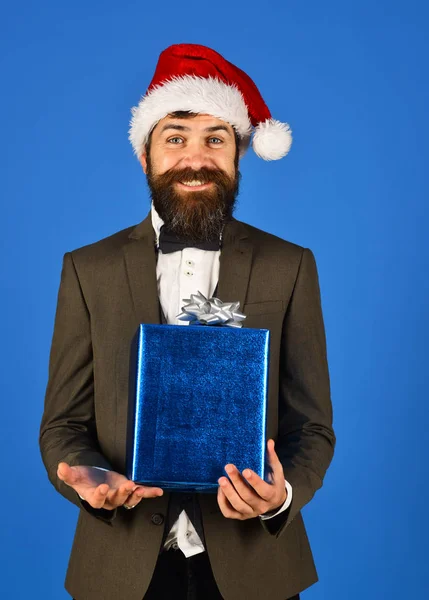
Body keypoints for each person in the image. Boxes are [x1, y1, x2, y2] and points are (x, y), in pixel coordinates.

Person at [40, 43, 336, 600]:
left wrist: (283, 494)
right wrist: (86, 478)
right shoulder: (88, 269)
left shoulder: (290, 265)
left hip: (258, 570)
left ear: (239, 155)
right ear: (144, 154)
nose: (195, 158)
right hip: (119, 572)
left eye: (215, 139)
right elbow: (62, 424)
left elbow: (313, 426)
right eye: (175, 138)